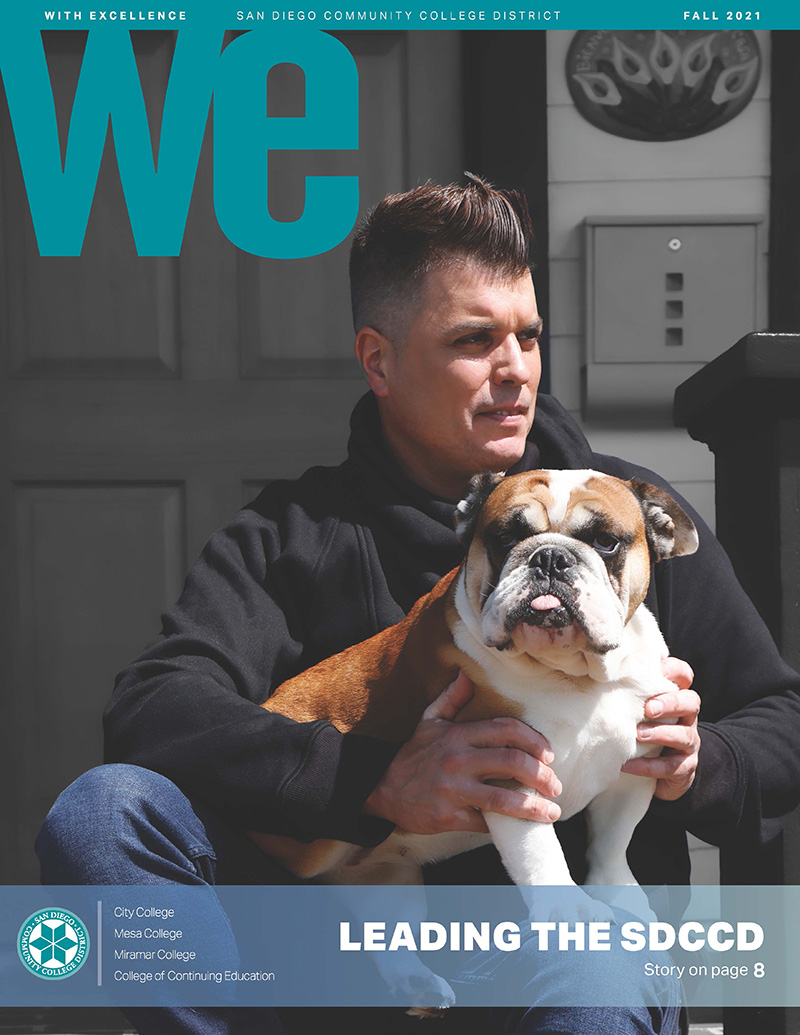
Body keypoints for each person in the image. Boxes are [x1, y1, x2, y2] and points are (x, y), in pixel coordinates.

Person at [37, 176, 800, 1035]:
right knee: (104, 812)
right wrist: (374, 781)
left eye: (529, 335)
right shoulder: (290, 531)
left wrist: (701, 761)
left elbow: (783, 716)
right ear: (380, 360)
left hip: (564, 951)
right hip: (340, 956)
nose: (515, 368)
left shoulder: (627, 518)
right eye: (475, 340)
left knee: (596, 973)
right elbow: (153, 708)